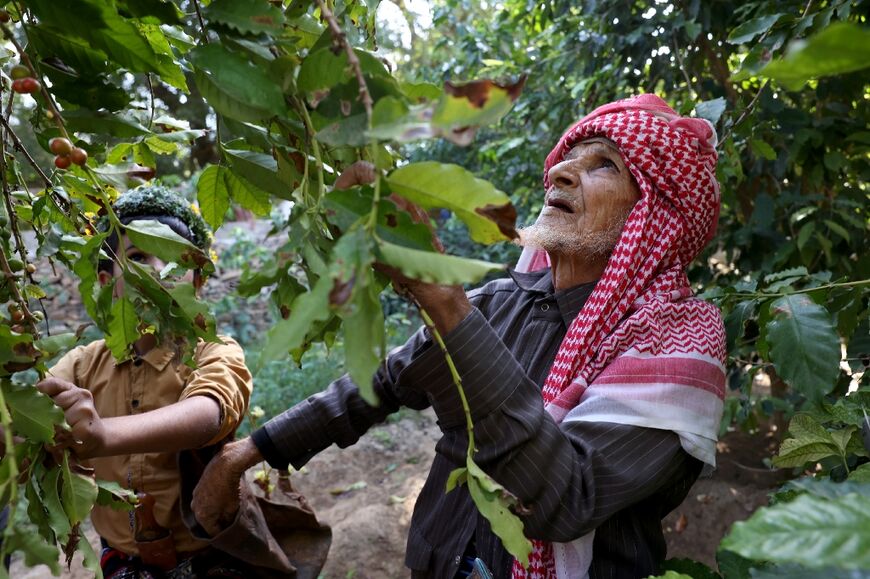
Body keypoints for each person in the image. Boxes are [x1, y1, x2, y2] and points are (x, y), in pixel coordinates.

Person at [192, 94, 727, 579]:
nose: (562, 172)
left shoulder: (674, 344)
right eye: (568, 158)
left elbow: (567, 499)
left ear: (653, 215)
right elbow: (382, 382)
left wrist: (444, 300)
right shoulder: (500, 302)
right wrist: (241, 454)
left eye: (603, 164)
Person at [36, 186, 255, 578]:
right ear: (107, 281)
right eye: (137, 257)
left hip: (212, 559)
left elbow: (209, 411)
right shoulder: (83, 364)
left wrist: (104, 434)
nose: (156, 270)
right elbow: (34, 408)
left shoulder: (214, 352)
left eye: (173, 259)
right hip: (121, 562)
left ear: (198, 282)